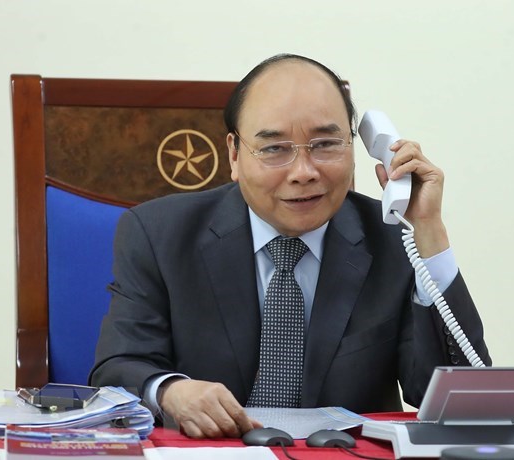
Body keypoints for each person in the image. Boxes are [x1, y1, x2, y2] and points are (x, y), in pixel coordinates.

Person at [89, 53, 491, 439]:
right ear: (234, 154)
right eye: (274, 148)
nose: (303, 172)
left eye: (326, 144)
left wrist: (428, 231)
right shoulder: (159, 233)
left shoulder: (393, 239)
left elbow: (465, 407)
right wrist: (170, 391)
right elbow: (119, 366)